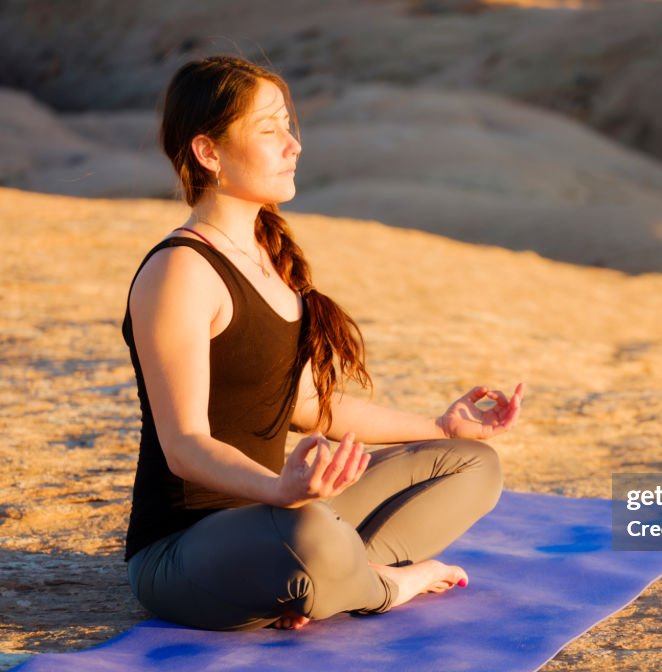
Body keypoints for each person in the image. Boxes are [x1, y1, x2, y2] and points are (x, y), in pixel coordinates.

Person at [123, 55, 524, 631]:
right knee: (308, 531)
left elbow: (310, 407)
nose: (293, 145)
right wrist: (279, 489)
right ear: (209, 152)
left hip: (275, 516)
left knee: (472, 465)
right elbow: (184, 445)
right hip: (182, 553)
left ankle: (321, 581)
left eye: (289, 124)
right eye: (269, 129)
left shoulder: (266, 257)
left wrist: (441, 427)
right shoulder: (180, 272)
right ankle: (381, 584)